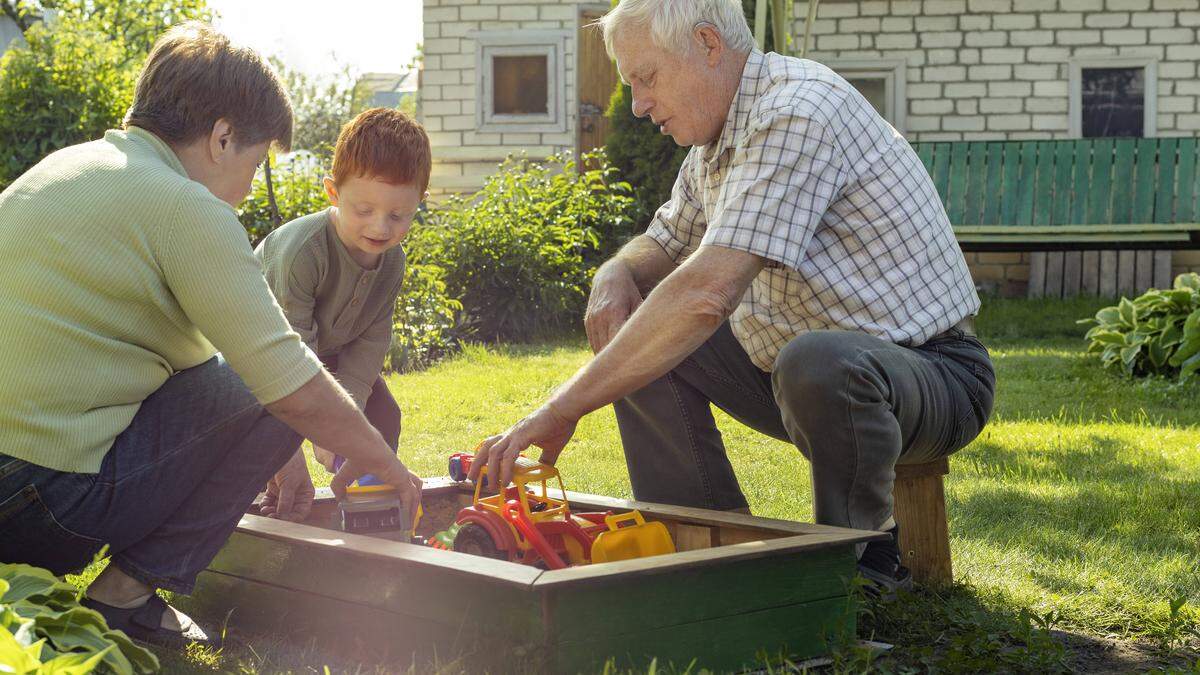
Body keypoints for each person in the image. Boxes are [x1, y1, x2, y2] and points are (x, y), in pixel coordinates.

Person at [469, 0, 994, 594]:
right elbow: (665, 242)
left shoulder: (796, 111)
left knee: (814, 360)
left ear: (707, 45)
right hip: (801, 380)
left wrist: (561, 408)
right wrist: (615, 273)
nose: (638, 105)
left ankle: (859, 567)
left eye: (646, 78)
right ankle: (705, 551)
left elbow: (706, 294)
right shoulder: (714, 144)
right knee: (641, 332)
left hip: (933, 374)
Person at [0, 23, 421, 646]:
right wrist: (385, 465)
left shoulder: (61, 170)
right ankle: (128, 592)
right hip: (41, 505)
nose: (249, 190)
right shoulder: (186, 206)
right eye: (254, 163)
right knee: (276, 376)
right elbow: (287, 388)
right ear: (222, 138)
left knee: (253, 373)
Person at [256, 108, 430, 479]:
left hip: (325, 355)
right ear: (333, 192)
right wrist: (325, 425)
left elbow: (370, 342)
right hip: (263, 357)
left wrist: (345, 415)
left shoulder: (392, 262)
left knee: (382, 416)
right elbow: (289, 354)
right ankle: (264, 497)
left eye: (398, 215)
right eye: (364, 209)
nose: (380, 227)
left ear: (419, 202)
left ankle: (368, 501)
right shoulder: (304, 252)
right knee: (267, 434)